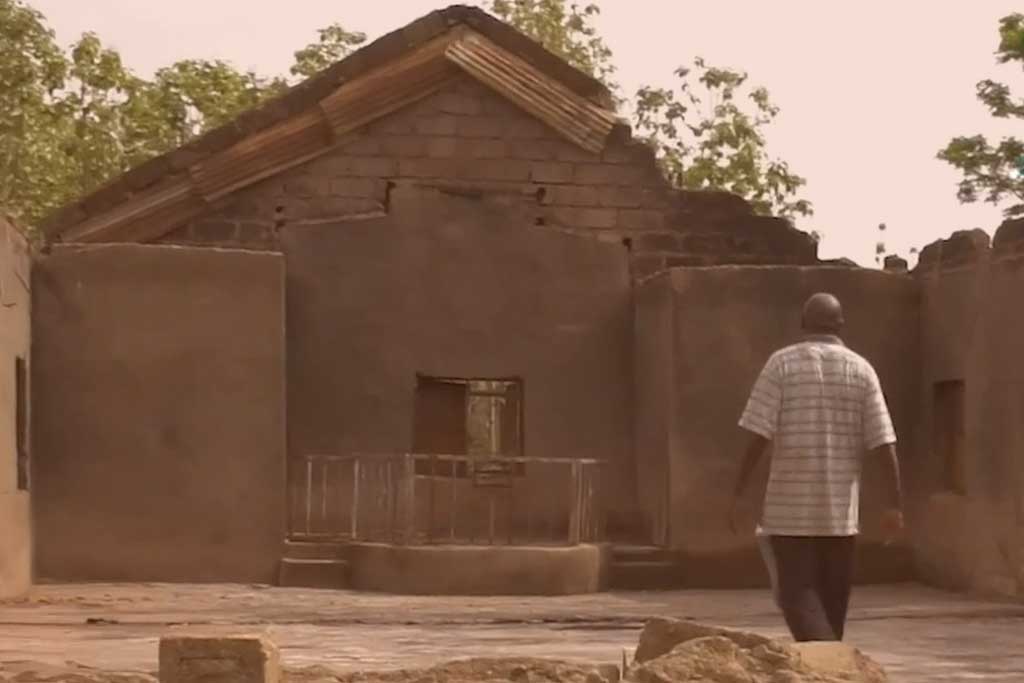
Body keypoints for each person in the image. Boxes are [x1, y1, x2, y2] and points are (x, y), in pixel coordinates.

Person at [729, 292, 904, 642]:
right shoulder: (862, 370)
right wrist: (894, 504)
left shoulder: (781, 364)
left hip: (787, 515)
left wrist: (738, 493)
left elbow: (758, 437)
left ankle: (829, 670)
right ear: (841, 325)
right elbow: (884, 442)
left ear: (802, 324)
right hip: (840, 518)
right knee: (831, 608)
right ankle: (831, 667)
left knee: (796, 599)